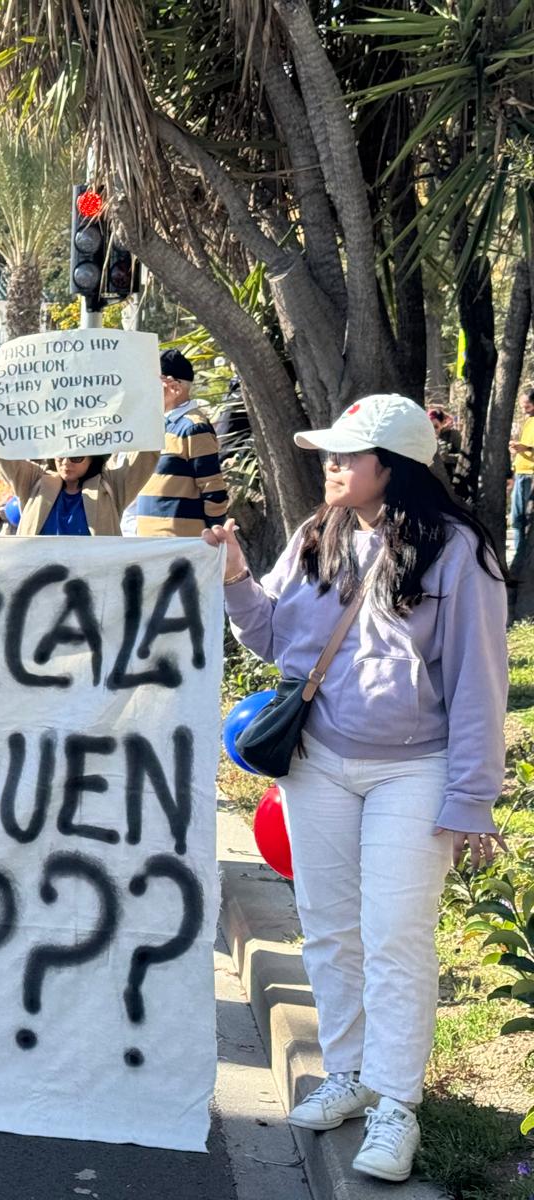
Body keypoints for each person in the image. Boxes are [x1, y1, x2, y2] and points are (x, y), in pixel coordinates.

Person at [205, 394, 508, 1184]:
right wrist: (239, 579)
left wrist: (472, 798)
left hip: (417, 766)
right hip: (320, 763)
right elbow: (271, 635)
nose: (330, 467)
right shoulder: (317, 536)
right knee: (329, 926)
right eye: (329, 454)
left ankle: (396, 1105)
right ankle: (349, 1071)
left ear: (394, 468)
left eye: (347, 455)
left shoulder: (458, 553)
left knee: (396, 934)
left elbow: (480, 683)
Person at [131, 349, 229, 536]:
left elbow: (212, 487)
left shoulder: (194, 427)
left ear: (174, 388)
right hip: (148, 543)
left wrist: (214, 533)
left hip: (181, 544)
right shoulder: (154, 426)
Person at [0, 449, 158, 536]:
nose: (66, 463)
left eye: (77, 457)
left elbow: (145, 457)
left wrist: (153, 406)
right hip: (41, 581)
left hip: (91, 583)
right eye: (60, 456)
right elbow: (1, 453)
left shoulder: (110, 486)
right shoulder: (35, 481)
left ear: (92, 459)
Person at [509, 388, 534, 556]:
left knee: (528, 519)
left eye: (527, 404)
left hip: (531, 475)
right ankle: (519, 555)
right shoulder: (527, 422)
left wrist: (526, 448)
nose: (524, 407)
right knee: (517, 518)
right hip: (520, 473)